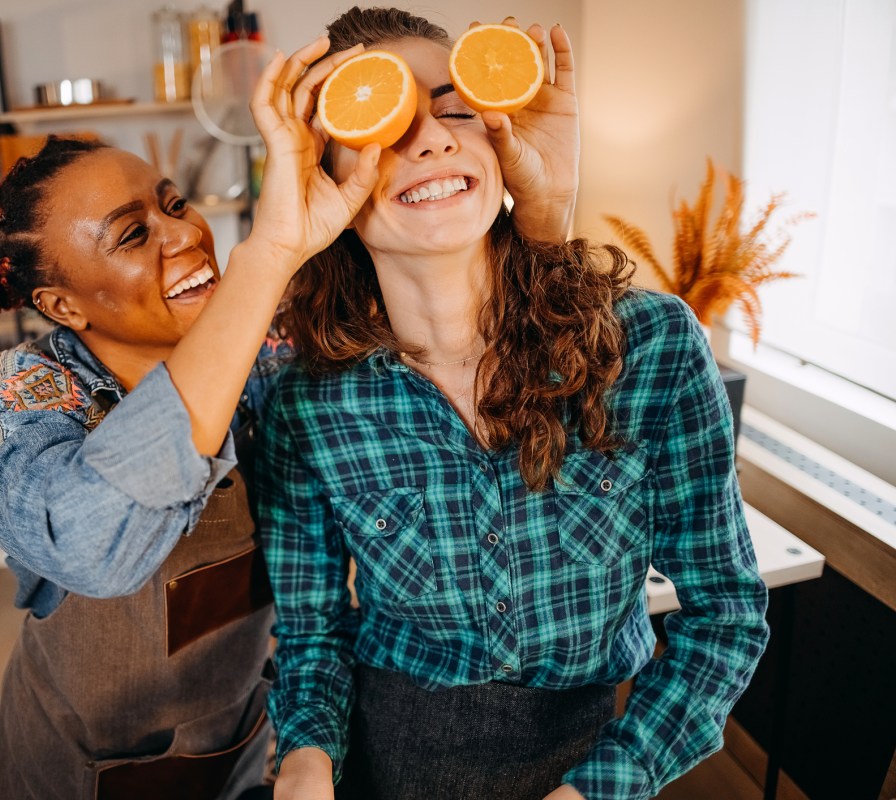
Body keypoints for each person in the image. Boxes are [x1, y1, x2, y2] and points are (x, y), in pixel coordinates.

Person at [0, 23, 577, 797]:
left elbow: (461, 321)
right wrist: (265, 256)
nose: (185, 236)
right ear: (60, 303)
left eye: (172, 204)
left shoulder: (274, 349)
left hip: (236, 734)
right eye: (135, 235)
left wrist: (547, 204)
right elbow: (92, 545)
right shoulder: (30, 394)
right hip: (82, 762)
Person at [256, 8, 770, 800]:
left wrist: (605, 783)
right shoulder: (305, 400)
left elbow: (726, 616)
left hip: (598, 751)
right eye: (382, 124)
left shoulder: (653, 345)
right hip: (395, 755)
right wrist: (304, 764)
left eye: (455, 106)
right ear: (324, 180)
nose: (429, 138)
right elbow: (313, 634)